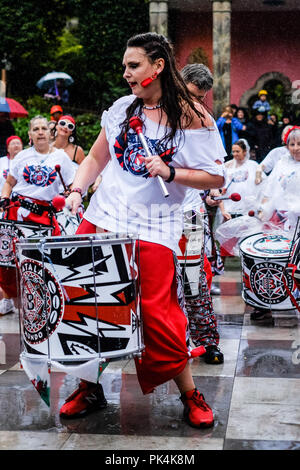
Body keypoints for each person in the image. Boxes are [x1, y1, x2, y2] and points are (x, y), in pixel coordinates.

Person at [59, 32, 226, 428]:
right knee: (86, 304)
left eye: (133, 66)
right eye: (124, 67)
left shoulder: (192, 117)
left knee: (157, 313)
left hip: (154, 227)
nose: (126, 73)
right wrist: (76, 191)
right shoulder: (120, 110)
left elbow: (215, 176)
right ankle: (89, 387)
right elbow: (97, 158)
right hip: (104, 218)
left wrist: (171, 171)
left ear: (158, 66)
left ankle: (190, 394)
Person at [0, 116, 76, 311]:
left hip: (44, 216)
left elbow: (73, 185)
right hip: (17, 213)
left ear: (51, 133)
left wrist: (70, 195)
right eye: (36, 129)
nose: (40, 132)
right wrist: (4, 198)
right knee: (7, 262)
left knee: (44, 262)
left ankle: (42, 301)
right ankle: (10, 298)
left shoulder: (61, 158)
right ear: (30, 134)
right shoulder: (22, 156)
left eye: (44, 128)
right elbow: (9, 183)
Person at [180, 63, 224, 363]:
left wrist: (212, 191)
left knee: (194, 278)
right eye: (191, 94)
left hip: (190, 214)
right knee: (156, 281)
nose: (195, 103)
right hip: (154, 214)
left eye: (201, 98)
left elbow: (216, 167)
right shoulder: (153, 112)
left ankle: (207, 342)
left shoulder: (205, 120)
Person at [250, 126, 300, 321]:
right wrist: (263, 210)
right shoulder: (282, 164)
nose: (296, 148)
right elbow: (270, 190)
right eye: (292, 144)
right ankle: (265, 302)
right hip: (279, 219)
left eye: (299, 144)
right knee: (270, 261)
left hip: (297, 223)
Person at [0, 135, 23, 315]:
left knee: (23, 258)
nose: (16, 145)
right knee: (5, 259)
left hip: (24, 214)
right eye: (12, 143)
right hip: (4, 212)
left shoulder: (28, 160)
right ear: (7, 148)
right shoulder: (1, 163)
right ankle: (7, 298)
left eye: (18, 142)